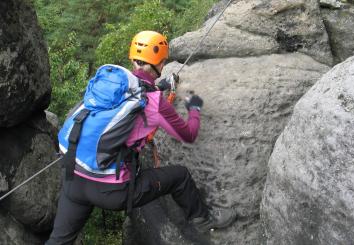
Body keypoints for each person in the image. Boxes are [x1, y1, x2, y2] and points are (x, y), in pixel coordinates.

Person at [46, 31, 236, 245]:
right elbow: (188, 135)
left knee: (58, 240)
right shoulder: (154, 101)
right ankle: (203, 219)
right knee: (180, 176)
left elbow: (138, 92)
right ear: (161, 63)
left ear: (133, 60)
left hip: (74, 180)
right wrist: (194, 110)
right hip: (113, 191)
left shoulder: (109, 86)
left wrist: (159, 87)